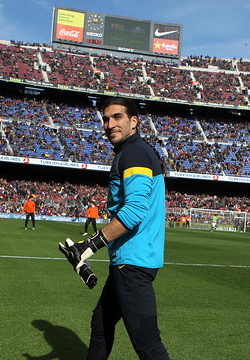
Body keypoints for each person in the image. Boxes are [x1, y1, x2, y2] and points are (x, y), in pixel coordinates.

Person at [59, 97, 170, 359]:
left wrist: (90, 245)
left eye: (117, 117)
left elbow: (134, 211)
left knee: (148, 344)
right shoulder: (132, 152)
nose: (110, 124)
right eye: (106, 119)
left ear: (134, 121)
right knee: (101, 323)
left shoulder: (133, 153)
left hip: (133, 261)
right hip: (130, 258)